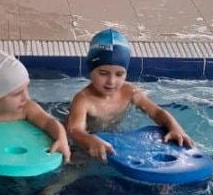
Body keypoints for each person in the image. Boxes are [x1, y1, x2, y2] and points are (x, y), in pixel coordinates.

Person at [67, 28, 193, 161]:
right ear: (91, 71)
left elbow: (156, 112)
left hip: (115, 137)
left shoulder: (130, 92)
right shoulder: (83, 99)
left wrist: (175, 128)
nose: (111, 81)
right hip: (85, 143)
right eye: (103, 73)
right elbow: (74, 130)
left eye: (119, 74)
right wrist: (90, 140)